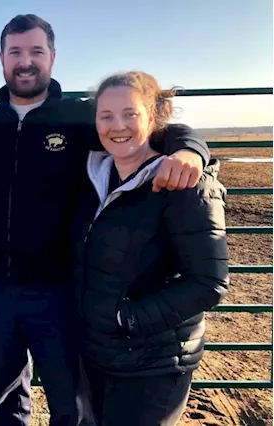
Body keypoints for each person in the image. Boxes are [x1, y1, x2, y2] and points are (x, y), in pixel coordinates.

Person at [0, 14, 210, 426]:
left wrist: (190, 149)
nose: (25, 62)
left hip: (59, 287)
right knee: (6, 397)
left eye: (36, 52)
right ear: (2, 60)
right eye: (15, 53)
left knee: (68, 400)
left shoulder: (80, 117)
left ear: (53, 57)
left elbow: (145, 129)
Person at [71, 71, 229, 426]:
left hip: (153, 363)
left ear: (152, 118)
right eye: (106, 116)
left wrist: (125, 320)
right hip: (96, 354)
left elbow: (208, 283)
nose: (117, 125)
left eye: (130, 114)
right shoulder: (95, 175)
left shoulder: (186, 183)